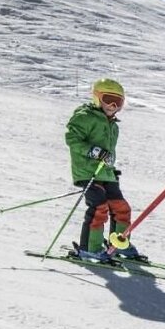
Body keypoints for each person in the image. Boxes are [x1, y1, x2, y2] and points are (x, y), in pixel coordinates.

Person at [63, 78, 147, 262]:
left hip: (106, 173)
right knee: (99, 208)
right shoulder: (85, 116)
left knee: (121, 208)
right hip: (88, 172)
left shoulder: (113, 125)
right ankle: (89, 249)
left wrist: (111, 169)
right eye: (108, 99)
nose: (113, 106)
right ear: (97, 98)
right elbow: (72, 138)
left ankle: (118, 246)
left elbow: (108, 152)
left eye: (118, 102)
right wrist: (93, 151)